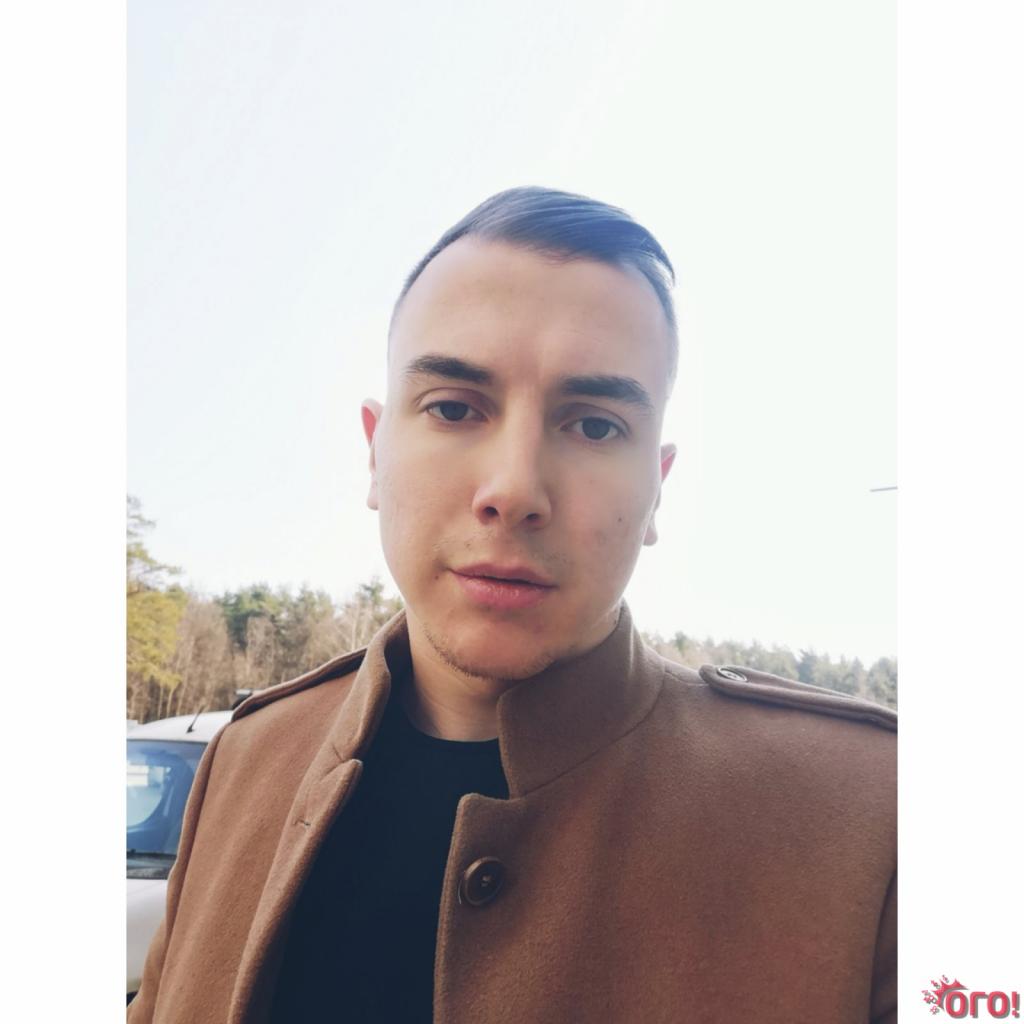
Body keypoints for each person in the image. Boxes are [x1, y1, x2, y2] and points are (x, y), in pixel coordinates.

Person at [128, 187, 896, 1024]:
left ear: (658, 487)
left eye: (594, 426)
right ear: (375, 454)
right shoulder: (244, 763)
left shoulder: (873, 820)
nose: (515, 489)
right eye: (454, 408)